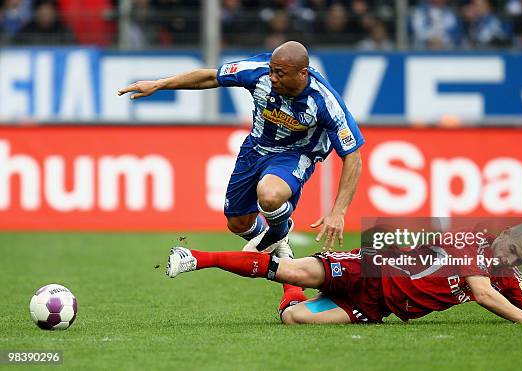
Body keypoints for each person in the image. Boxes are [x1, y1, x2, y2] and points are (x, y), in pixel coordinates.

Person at [118, 41, 364, 259]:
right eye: (271, 70)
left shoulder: (325, 102)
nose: (273, 77)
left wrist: (338, 212)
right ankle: (279, 246)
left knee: (268, 195)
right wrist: (160, 85)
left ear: (302, 73)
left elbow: (353, 156)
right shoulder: (257, 72)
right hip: (255, 149)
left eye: (280, 73)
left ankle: (279, 230)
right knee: (237, 223)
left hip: (295, 154)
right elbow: (211, 77)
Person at [164, 223, 522, 325]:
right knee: (289, 271)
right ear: (501, 237)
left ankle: (281, 250)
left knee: (294, 318)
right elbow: (481, 293)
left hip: (379, 306)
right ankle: (194, 256)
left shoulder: (506, 274)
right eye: (511, 250)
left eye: (520, 261)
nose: (511, 261)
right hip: (372, 269)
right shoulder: (469, 245)